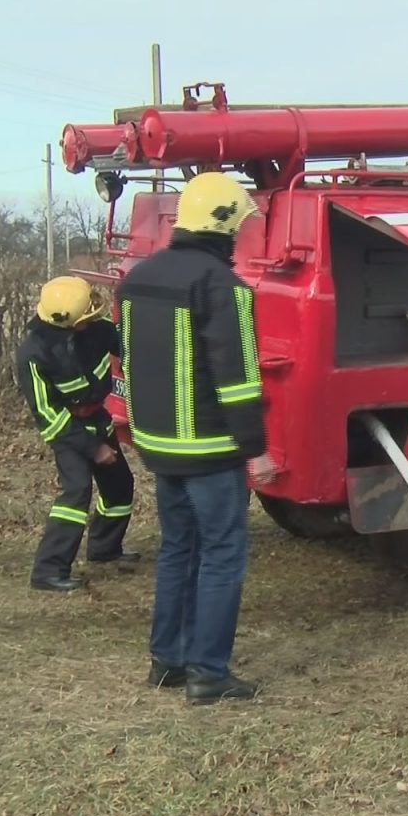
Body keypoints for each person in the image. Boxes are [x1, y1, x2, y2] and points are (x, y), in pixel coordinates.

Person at [115, 171, 275, 705]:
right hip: (210, 450)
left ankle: (168, 661)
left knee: (178, 549)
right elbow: (238, 378)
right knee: (223, 555)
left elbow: (131, 362)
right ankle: (209, 673)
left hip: (159, 446)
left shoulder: (138, 280)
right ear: (226, 223)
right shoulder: (222, 288)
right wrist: (258, 449)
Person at [15, 275, 138, 593]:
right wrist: (93, 448)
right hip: (67, 431)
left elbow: (125, 345)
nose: (94, 312)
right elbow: (47, 416)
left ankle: (104, 550)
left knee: (120, 486)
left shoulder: (96, 331)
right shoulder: (33, 355)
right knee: (76, 493)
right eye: (87, 311)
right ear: (69, 322)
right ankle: (48, 570)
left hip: (98, 418)